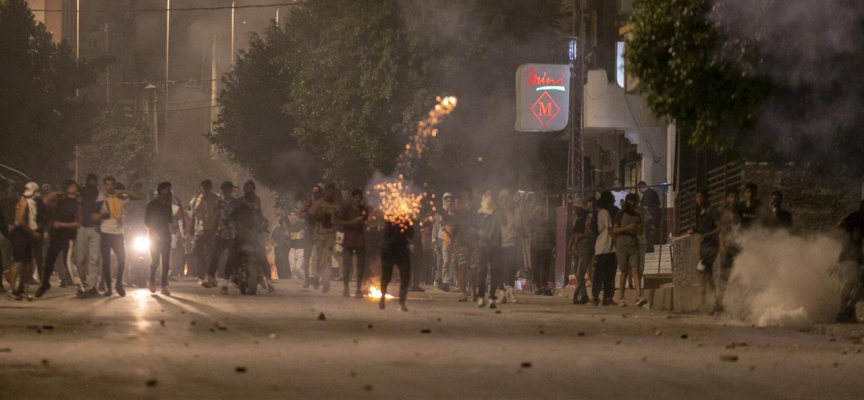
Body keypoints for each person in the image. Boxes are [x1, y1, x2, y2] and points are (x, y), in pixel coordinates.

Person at [35, 181, 90, 298]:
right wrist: (54, 192)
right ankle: (45, 283)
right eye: (70, 186)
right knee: (49, 261)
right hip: (56, 236)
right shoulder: (60, 201)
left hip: (68, 237)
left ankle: (80, 287)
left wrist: (62, 224)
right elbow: (44, 201)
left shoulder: (77, 205)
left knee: (68, 262)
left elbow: (78, 224)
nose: (72, 187)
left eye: (74, 186)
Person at [230, 180, 273, 294]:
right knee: (233, 254)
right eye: (247, 188)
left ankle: (269, 282)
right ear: (244, 190)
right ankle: (228, 278)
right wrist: (232, 225)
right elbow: (232, 216)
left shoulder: (257, 200)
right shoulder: (239, 202)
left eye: (251, 188)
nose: (250, 190)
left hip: (255, 234)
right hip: (241, 232)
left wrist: (265, 224)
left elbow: (260, 215)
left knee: (263, 257)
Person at [6, 182, 42, 300]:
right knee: (18, 261)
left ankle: (20, 290)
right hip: (20, 233)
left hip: (25, 233)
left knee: (27, 263)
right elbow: (21, 220)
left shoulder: (31, 202)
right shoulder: (24, 202)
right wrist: (33, 232)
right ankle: (12, 290)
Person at [613, 193, 646, 307]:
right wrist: (628, 228)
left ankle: (640, 296)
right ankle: (621, 298)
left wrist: (639, 228)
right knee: (623, 272)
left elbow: (640, 232)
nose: (632, 203)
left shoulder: (638, 216)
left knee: (635, 271)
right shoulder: (620, 214)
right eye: (630, 201)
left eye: (634, 201)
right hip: (622, 245)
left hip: (633, 244)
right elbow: (615, 230)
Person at [474, 189, 504, 309]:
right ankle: (481, 296)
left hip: (495, 246)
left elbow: (505, 222)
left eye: (491, 195)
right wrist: (478, 232)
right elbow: (474, 228)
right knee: (482, 271)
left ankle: (492, 297)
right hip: (482, 246)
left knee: (494, 271)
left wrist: (498, 211)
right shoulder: (479, 213)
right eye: (487, 195)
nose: (489, 197)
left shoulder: (497, 213)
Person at [835, 200, 864, 323]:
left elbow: (839, 225)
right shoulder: (860, 219)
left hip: (847, 258)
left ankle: (847, 310)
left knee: (856, 284)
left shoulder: (851, 217)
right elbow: (856, 236)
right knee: (850, 283)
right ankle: (843, 312)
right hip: (850, 259)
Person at [308, 184, 340, 292]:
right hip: (318, 234)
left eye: (332, 192)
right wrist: (319, 217)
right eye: (328, 191)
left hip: (330, 235)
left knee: (327, 258)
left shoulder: (336, 206)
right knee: (318, 258)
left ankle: (326, 282)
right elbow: (309, 217)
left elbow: (339, 219)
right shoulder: (318, 203)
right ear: (325, 192)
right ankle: (316, 277)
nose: (330, 194)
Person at [691, 189, 719, 311]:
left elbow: (719, 228)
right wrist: (695, 231)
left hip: (711, 246)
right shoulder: (700, 213)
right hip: (704, 247)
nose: (699, 199)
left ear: (706, 198)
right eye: (697, 197)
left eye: (701, 197)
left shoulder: (711, 211)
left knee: (702, 271)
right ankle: (711, 301)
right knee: (706, 274)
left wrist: (706, 235)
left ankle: (713, 300)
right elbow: (703, 231)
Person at [144, 182, 174, 295]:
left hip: (166, 234)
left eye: (169, 189)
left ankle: (164, 286)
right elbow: (146, 221)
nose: (168, 191)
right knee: (155, 261)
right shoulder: (152, 204)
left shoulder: (168, 205)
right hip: (154, 235)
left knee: (165, 262)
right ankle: (151, 280)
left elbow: (169, 219)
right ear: (161, 190)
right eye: (166, 189)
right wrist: (153, 232)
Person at [337, 189, 367, 298]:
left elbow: (368, 221)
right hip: (349, 238)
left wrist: (364, 223)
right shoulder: (346, 209)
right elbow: (339, 221)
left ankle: (358, 288)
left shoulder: (364, 210)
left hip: (360, 239)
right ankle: (346, 287)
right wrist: (352, 222)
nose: (358, 200)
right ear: (352, 198)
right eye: (356, 198)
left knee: (361, 265)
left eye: (360, 198)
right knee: (347, 264)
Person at [378, 218, 414, 311]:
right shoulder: (389, 221)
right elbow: (386, 235)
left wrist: (405, 226)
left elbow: (412, 234)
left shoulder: (406, 221)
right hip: (389, 250)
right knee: (386, 276)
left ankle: (402, 302)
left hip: (402, 251)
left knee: (405, 274)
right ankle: (382, 298)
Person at [715, 187, 741, 314]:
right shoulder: (724, 212)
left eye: (735, 196)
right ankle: (719, 303)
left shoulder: (742, 211)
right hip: (727, 247)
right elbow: (721, 230)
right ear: (727, 198)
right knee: (724, 276)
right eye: (731, 196)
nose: (733, 198)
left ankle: (739, 305)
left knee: (740, 276)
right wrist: (722, 246)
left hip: (739, 246)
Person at [190, 180, 221, 288]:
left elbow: (220, 213)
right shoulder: (198, 198)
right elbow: (192, 208)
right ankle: (202, 275)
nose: (205, 190)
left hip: (212, 229)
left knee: (211, 253)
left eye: (206, 188)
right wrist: (198, 195)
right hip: (200, 229)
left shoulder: (216, 198)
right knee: (196, 251)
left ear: (210, 188)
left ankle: (210, 275)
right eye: (203, 188)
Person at [75, 173, 102, 294]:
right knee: (82, 259)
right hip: (84, 228)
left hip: (93, 228)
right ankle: (83, 285)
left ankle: (91, 286)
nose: (92, 183)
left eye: (93, 181)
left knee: (92, 259)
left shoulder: (99, 195)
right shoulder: (81, 195)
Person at [591, 191, 618, 306]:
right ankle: (607, 297)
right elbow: (610, 230)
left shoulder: (597, 213)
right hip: (607, 247)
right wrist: (617, 243)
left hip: (599, 247)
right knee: (609, 274)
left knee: (599, 273)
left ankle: (595, 296)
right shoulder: (605, 213)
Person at [214, 182, 239, 294]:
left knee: (231, 258)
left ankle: (225, 282)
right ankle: (211, 276)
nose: (226, 192)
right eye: (224, 190)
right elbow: (215, 217)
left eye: (228, 190)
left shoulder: (236, 203)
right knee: (216, 256)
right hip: (221, 233)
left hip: (234, 234)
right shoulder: (218, 202)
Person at [498, 189, 521, 304]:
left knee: (511, 267)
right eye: (502, 200)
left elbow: (518, 224)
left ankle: (511, 291)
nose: (504, 202)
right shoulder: (497, 212)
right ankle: (501, 293)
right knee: (499, 269)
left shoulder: (514, 210)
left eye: (506, 200)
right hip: (499, 245)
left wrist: (509, 214)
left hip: (511, 243)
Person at [569, 199, 594, 304]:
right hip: (577, 246)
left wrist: (582, 236)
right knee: (578, 272)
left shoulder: (588, 217)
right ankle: (583, 295)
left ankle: (576, 295)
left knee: (581, 272)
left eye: (575, 208)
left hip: (585, 244)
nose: (573, 210)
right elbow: (574, 233)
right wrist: (571, 245)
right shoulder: (577, 218)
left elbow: (592, 234)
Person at [299, 184, 324, 288]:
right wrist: (309, 215)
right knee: (307, 255)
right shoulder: (307, 203)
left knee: (319, 256)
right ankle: (306, 278)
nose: (315, 196)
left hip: (319, 231)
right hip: (309, 231)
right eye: (314, 194)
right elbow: (300, 214)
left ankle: (317, 278)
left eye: (317, 194)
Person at [432, 192, 457, 292]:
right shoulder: (439, 213)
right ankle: (440, 279)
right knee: (440, 260)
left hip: (452, 238)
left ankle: (451, 280)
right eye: (447, 200)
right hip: (441, 237)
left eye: (450, 200)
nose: (449, 202)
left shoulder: (455, 213)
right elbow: (435, 226)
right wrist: (434, 239)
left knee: (451, 261)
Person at [530, 206, 554, 296]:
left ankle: (541, 286)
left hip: (542, 247)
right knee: (540, 267)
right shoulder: (536, 222)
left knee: (541, 267)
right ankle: (540, 286)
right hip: (539, 247)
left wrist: (553, 245)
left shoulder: (546, 222)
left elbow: (551, 233)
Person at [637, 181, 661, 252]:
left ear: (640, 188)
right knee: (653, 231)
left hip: (650, 216)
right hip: (656, 215)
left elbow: (645, 207)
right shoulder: (653, 192)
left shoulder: (647, 194)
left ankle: (650, 247)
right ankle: (653, 245)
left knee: (648, 232)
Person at [286, 209, 307, 281]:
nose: (292, 217)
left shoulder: (301, 224)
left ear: (297, 216)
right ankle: (296, 287)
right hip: (292, 249)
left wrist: (293, 235)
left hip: (301, 248)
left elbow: (301, 234)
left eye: (294, 215)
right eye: (291, 215)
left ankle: (305, 279)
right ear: (288, 217)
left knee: (298, 268)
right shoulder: (288, 225)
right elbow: (288, 237)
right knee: (292, 269)